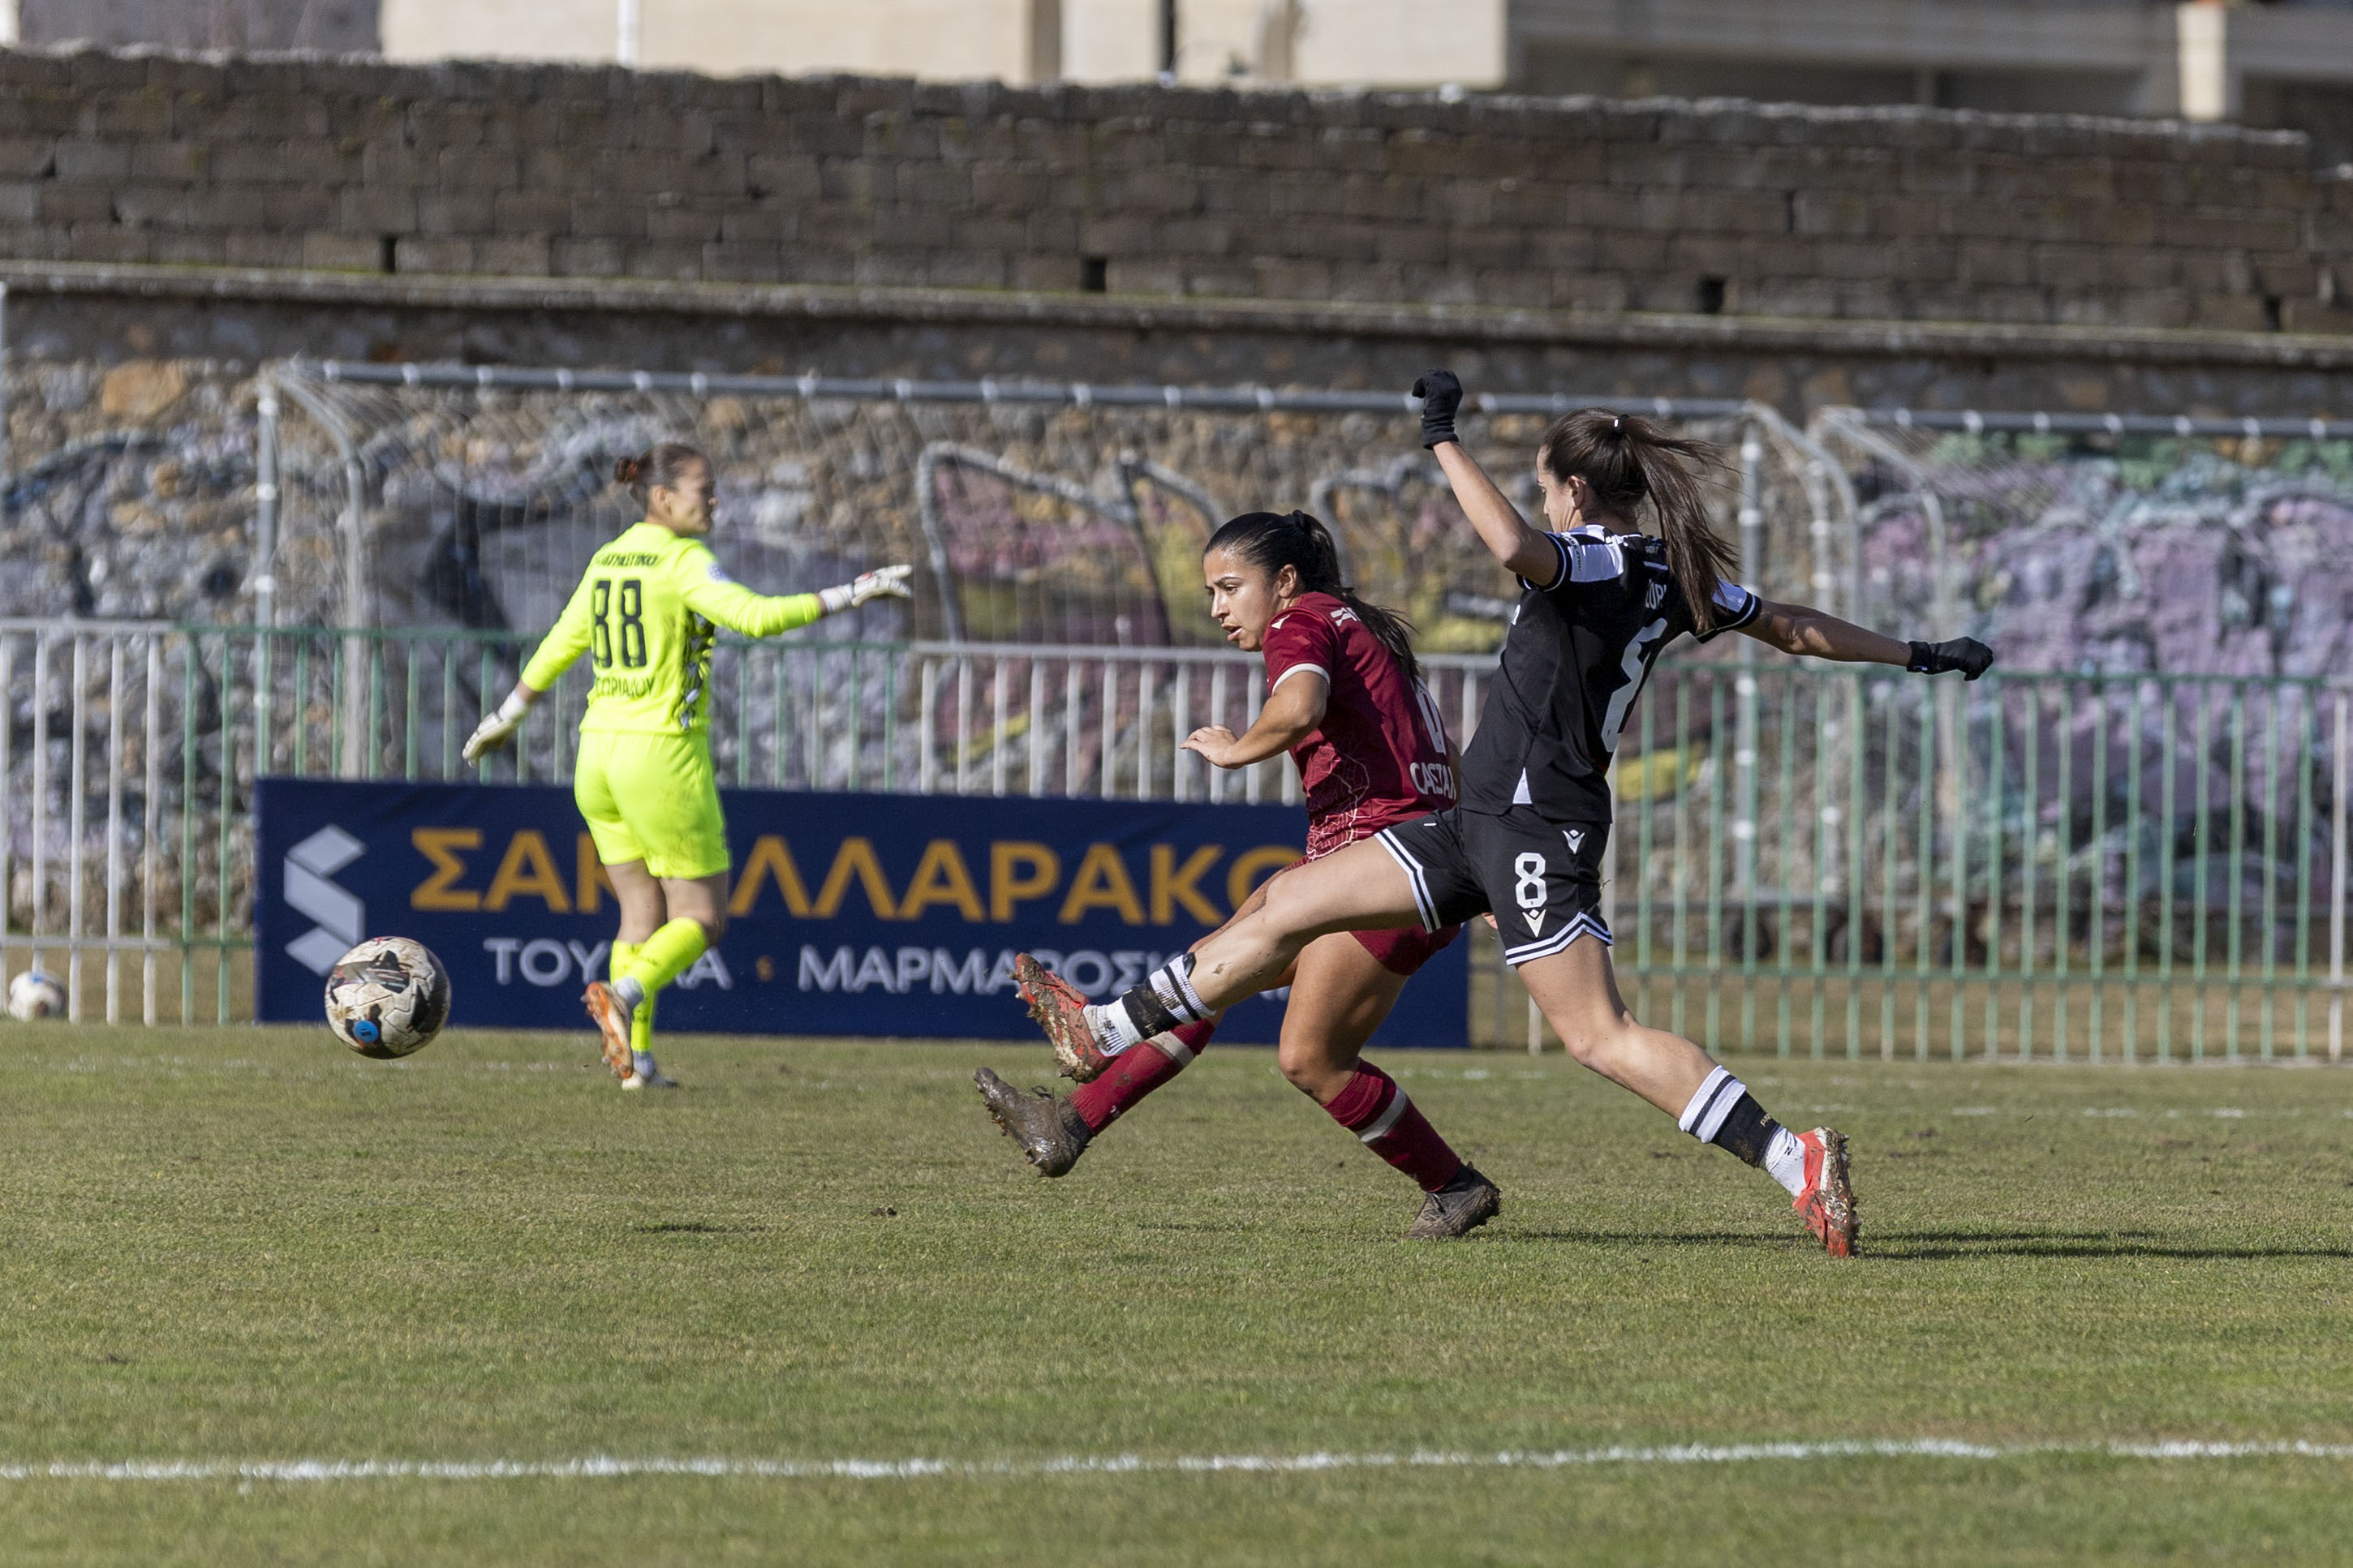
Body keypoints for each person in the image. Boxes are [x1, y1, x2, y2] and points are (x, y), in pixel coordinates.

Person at [1014, 371, 1994, 1257]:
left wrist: (1441, 437)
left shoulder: (1604, 563)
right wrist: (1913, 653)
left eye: (1544, 487)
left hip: (1534, 827)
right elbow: (1788, 625)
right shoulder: (1671, 573)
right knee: (1283, 904)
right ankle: (1102, 1028)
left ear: (1572, 491)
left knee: (1598, 1036)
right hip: (1471, 822)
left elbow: (1513, 546)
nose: (1542, 505)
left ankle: (1793, 1157)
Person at [979, 510, 1503, 1239]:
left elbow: (1300, 706)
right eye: (1211, 593)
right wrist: (1478, 866)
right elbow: (1438, 753)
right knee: (1211, 972)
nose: (1218, 608)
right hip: (1389, 862)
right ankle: (1069, 1122)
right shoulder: (1363, 629)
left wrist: (1235, 751)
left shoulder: (1300, 619)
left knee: (1311, 1057)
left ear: (1284, 580)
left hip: (1380, 866)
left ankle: (1454, 1185)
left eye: (1230, 587)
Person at [462, 441, 913, 1089]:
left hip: (598, 757)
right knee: (701, 918)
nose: (715, 500)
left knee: (639, 914)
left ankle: (637, 1063)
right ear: (662, 497)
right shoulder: (682, 560)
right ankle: (626, 992)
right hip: (661, 759)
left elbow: (562, 639)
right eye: (704, 489)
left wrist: (506, 714)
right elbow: (755, 617)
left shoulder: (610, 558)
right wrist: (852, 591)